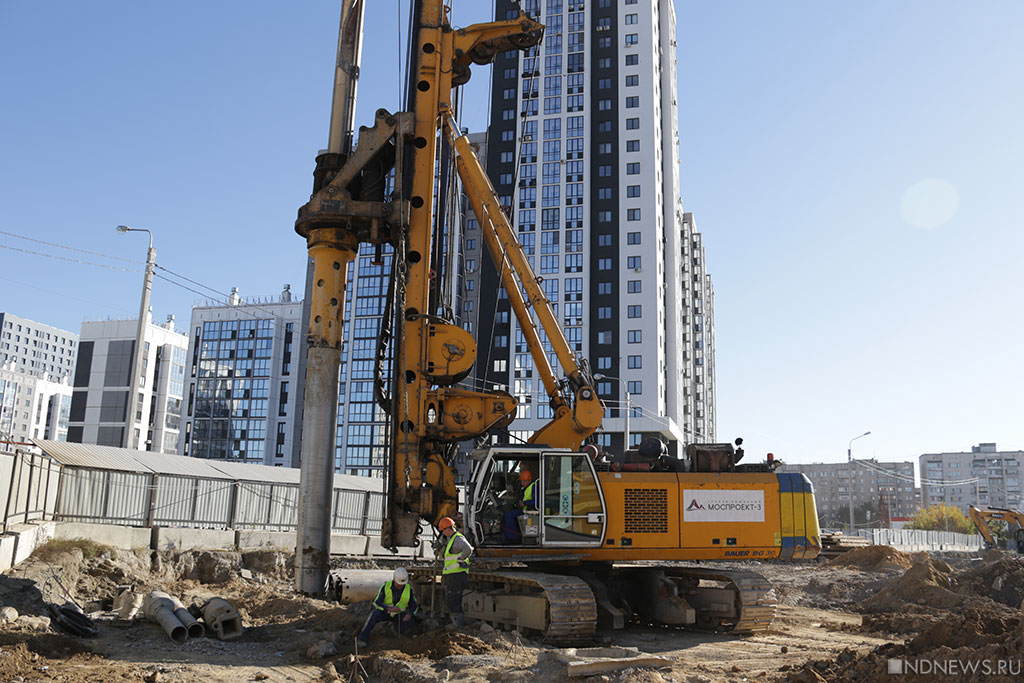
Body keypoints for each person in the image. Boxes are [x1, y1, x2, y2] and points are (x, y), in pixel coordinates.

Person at [356, 567, 419, 648]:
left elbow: (414, 606)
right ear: (394, 579)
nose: (400, 586)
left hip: (399, 614)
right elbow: (377, 602)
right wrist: (388, 608)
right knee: (374, 615)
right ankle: (363, 638)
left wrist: (410, 614)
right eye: (398, 583)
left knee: (410, 623)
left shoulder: (408, 590)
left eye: (402, 584)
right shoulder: (386, 586)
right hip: (385, 612)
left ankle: (403, 641)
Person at [438, 516, 473, 627]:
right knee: (452, 599)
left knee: (454, 600)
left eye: (443, 530)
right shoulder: (452, 539)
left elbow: (468, 549)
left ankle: (457, 625)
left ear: (448, 529)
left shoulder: (457, 538)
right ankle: (456, 624)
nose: (443, 533)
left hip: (456, 575)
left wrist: (461, 560)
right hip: (453, 574)